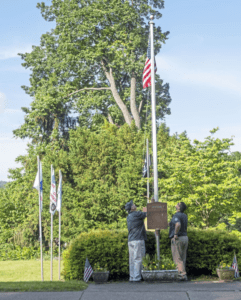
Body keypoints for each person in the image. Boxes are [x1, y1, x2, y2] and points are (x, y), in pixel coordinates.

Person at [125, 200, 147, 282]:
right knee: (138, 258)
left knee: (132, 259)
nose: (135, 205)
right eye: (133, 204)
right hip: (138, 239)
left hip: (130, 240)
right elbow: (148, 214)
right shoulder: (137, 214)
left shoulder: (129, 216)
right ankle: (137, 277)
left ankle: (132, 276)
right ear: (132, 208)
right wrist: (145, 210)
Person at [169, 202, 188, 281]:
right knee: (182, 257)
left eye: (177, 204)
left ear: (179, 208)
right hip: (185, 237)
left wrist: (175, 234)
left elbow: (178, 224)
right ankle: (183, 274)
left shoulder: (176, 215)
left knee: (177, 258)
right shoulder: (184, 215)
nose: (176, 204)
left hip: (178, 238)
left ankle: (182, 275)